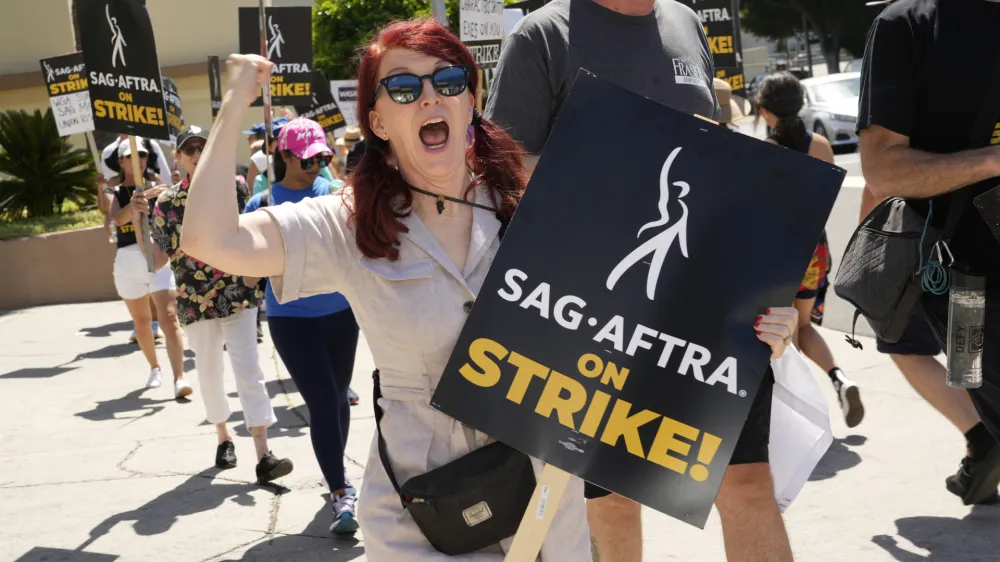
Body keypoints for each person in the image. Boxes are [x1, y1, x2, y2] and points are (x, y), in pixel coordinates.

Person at [180, 20, 799, 560]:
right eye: (404, 87)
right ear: (377, 120)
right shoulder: (344, 223)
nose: (430, 96)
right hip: (426, 510)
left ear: (471, 99)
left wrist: (747, 328)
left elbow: (647, 301)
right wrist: (234, 103)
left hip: (545, 501)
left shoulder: (536, 199)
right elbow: (210, 239)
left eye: (448, 81)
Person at [486, 1, 797, 560]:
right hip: (595, 314)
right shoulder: (542, 36)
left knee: (748, 482)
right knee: (612, 499)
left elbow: (713, 157)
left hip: (704, 303)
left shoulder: (685, 22)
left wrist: (761, 269)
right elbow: (501, 174)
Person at [859, 0, 1000, 507]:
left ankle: (984, 440)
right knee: (972, 379)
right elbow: (883, 170)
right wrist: (992, 160)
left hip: (964, 288)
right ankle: (983, 436)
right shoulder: (906, 26)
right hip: (967, 285)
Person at [143, 125, 293, 483]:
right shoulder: (167, 203)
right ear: (179, 158)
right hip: (195, 299)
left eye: (202, 147)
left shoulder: (235, 187)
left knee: (249, 368)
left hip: (237, 291)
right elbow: (157, 261)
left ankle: (263, 452)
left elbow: (250, 230)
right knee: (209, 371)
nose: (197, 154)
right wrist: (139, 222)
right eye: (190, 149)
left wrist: (257, 271)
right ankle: (223, 437)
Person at [242, 118, 362, 533]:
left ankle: (335, 471)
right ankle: (340, 491)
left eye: (322, 158)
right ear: (285, 155)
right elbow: (247, 276)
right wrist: (270, 237)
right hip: (291, 319)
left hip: (341, 313)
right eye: (308, 160)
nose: (316, 167)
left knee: (339, 399)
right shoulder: (261, 203)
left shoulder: (333, 193)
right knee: (324, 401)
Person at [754, 72, 865, 429]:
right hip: (816, 250)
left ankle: (795, 415)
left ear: (764, 110)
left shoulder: (766, 151)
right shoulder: (820, 145)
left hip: (779, 254)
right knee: (803, 325)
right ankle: (838, 378)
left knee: (782, 333)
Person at [108, 138, 192, 398]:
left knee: (169, 317)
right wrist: (142, 197)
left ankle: (180, 377)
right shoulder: (116, 190)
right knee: (142, 321)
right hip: (128, 258)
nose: (139, 160)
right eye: (132, 156)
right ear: (121, 162)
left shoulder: (159, 185)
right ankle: (155, 367)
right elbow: (118, 218)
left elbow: (176, 208)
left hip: (157, 253)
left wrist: (176, 186)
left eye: (143, 155)